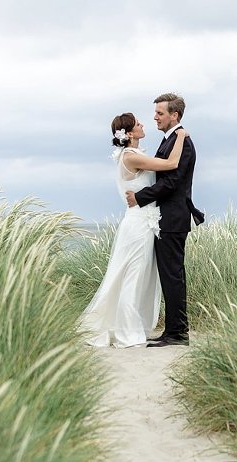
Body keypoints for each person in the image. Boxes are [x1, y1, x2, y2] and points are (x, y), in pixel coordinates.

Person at [81, 112, 187, 348]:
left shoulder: (133, 154)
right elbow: (171, 164)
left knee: (137, 277)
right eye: (138, 124)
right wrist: (180, 136)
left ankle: (130, 327)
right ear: (129, 134)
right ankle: (127, 333)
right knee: (133, 277)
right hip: (138, 225)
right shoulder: (130, 156)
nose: (143, 124)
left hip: (145, 222)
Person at [125, 93, 203, 348]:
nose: (155, 117)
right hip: (164, 218)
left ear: (174, 116)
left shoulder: (184, 143)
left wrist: (140, 197)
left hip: (173, 218)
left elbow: (171, 183)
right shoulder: (169, 140)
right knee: (170, 275)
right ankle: (173, 330)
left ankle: (178, 334)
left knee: (173, 275)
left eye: (160, 113)